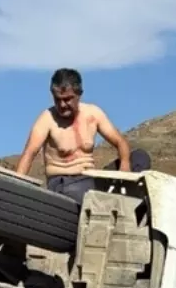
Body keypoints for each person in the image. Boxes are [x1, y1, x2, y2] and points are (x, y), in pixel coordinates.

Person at [16, 69, 132, 203]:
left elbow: (120, 142)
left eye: (67, 99)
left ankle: (128, 206)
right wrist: (16, 187)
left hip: (90, 178)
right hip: (64, 183)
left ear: (79, 94)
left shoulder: (93, 113)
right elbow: (29, 154)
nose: (62, 105)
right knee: (82, 193)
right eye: (57, 100)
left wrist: (125, 164)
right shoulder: (47, 119)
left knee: (140, 158)